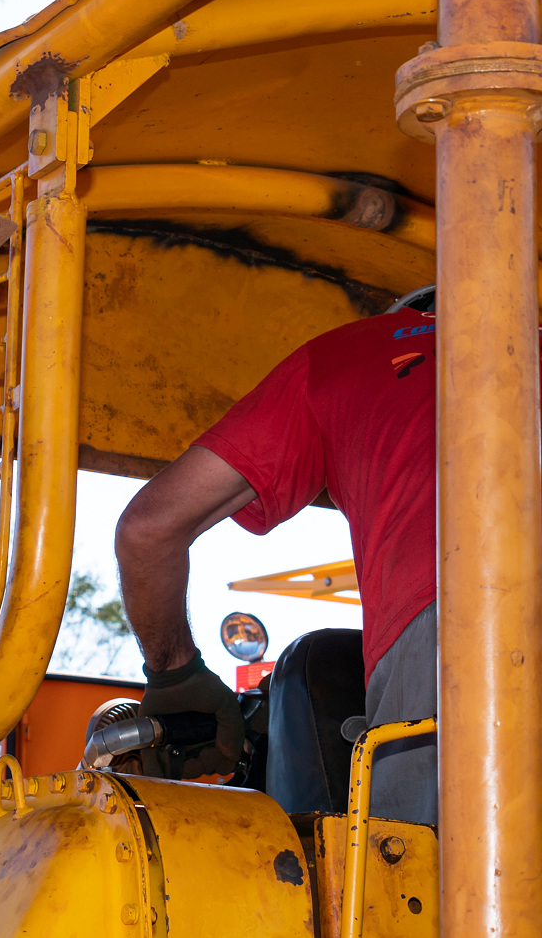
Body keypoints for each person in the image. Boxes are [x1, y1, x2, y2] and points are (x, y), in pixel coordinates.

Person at [112, 289, 448, 824]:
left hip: (457, 637)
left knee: (435, 891)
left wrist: (175, 676)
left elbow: (148, 529)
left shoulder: (352, 355)